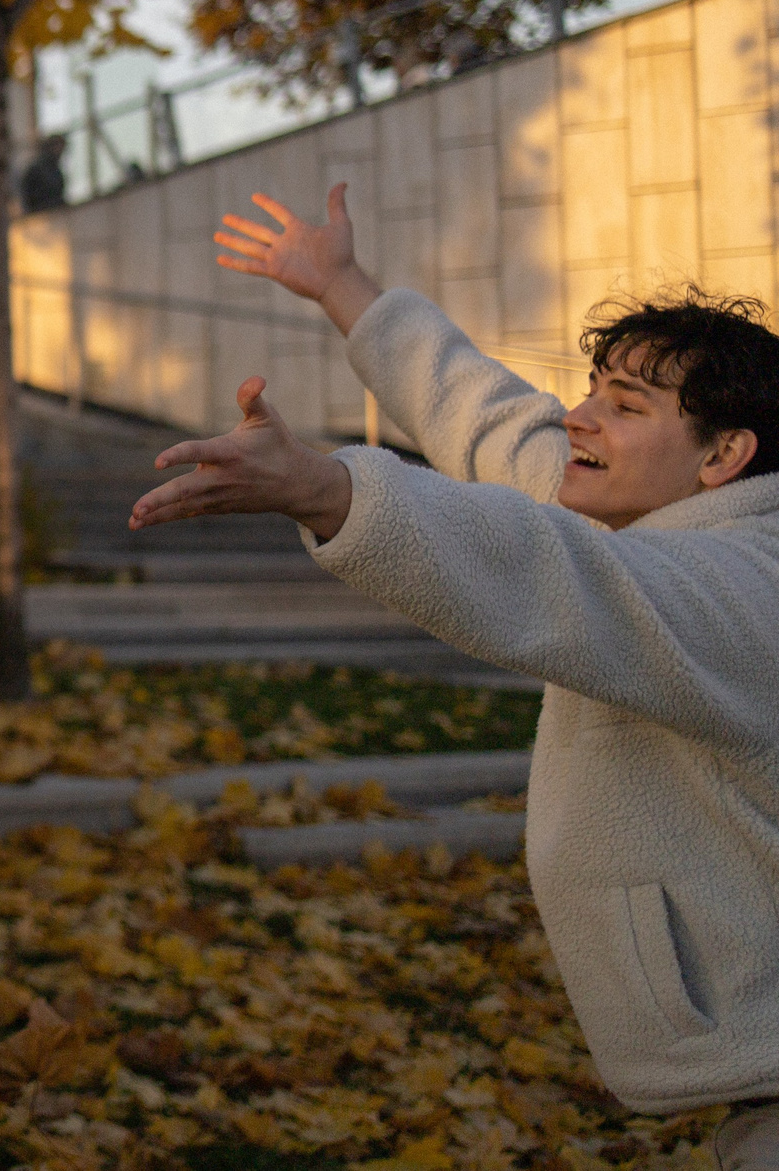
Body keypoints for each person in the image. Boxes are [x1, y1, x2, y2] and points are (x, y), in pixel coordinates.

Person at [131, 183, 779, 1163]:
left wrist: (324, 487)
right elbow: (493, 424)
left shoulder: (747, 588)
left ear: (724, 454)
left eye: (623, 405)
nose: (576, 417)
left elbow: (547, 572)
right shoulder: (641, 523)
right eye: (590, 388)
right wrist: (343, 285)